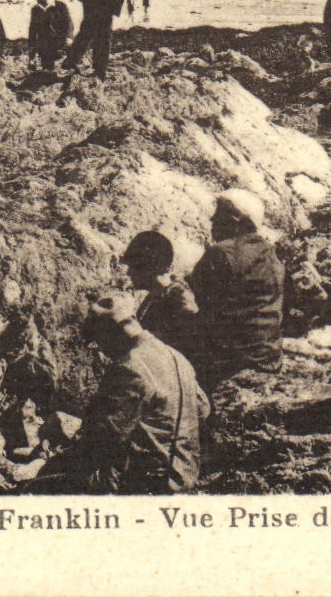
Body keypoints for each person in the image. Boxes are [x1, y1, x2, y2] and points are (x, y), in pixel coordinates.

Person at [37, 293, 207, 493]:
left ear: (111, 332)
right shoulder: (176, 357)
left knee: (43, 486)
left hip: (148, 483)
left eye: (99, 341)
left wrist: (58, 459)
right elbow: (203, 409)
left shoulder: (129, 366)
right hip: (185, 475)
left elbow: (105, 437)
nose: (102, 351)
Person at [188, 189, 284, 389]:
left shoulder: (221, 253)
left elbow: (196, 295)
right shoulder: (270, 253)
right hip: (268, 357)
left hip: (230, 360)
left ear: (234, 221)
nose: (212, 220)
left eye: (218, 215)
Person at [122, 230, 201, 362]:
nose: (129, 273)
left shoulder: (179, 302)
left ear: (150, 267)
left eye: (134, 267)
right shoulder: (157, 296)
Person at [27, 0, 73, 72]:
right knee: (47, 70)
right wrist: (31, 46)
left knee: (64, 69)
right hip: (45, 46)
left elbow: (69, 24)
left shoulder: (60, 6)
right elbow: (33, 29)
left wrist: (68, 38)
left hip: (60, 43)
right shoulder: (36, 9)